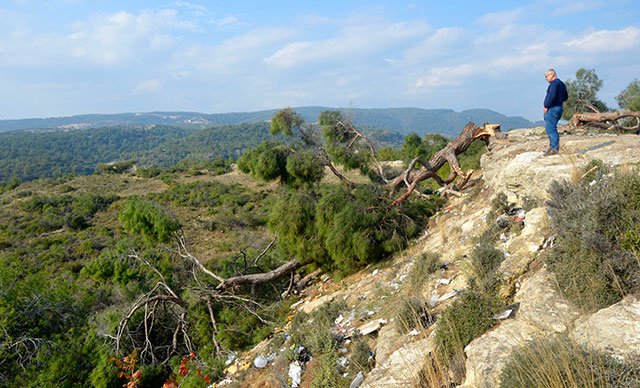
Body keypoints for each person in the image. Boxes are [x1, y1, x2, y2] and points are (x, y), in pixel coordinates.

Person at [543, 68, 568, 156]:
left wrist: (546, 105)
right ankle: (552, 147)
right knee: (551, 127)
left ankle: (554, 148)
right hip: (559, 107)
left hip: (552, 108)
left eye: (546, 76)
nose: (545, 78)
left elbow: (551, 96)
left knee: (550, 128)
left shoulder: (554, 84)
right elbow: (565, 96)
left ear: (552, 75)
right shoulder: (561, 83)